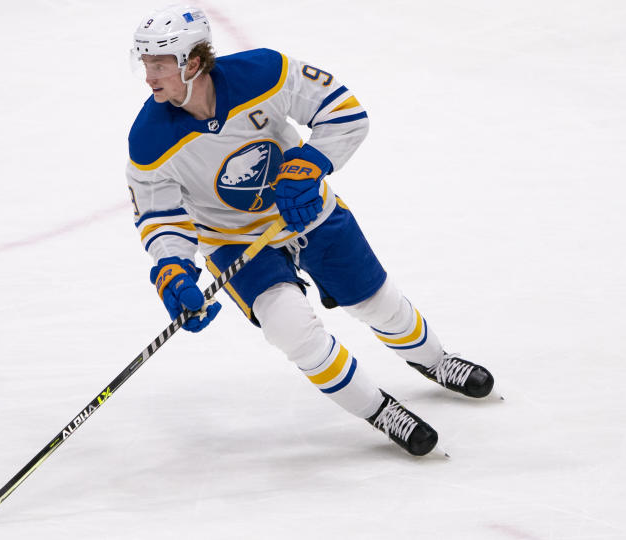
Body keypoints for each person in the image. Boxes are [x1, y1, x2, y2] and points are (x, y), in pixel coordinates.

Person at [125, 5, 494, 457]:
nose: (149, 76)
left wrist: (310, 163)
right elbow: (160, 215)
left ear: (193, 62)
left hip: (308, 214)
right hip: (234, 241)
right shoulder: (148, 138)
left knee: (377, 303)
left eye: (159, 65)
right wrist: (173, 269)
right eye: (145, 64)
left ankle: (436, 362)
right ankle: (380, 410)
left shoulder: (263, 72)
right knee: (293, 332)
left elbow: (344, 110)